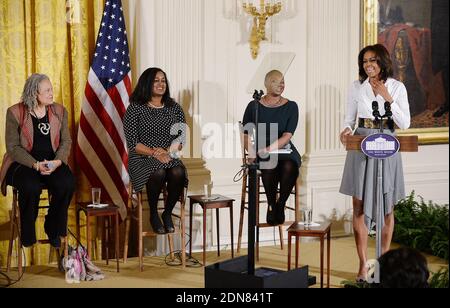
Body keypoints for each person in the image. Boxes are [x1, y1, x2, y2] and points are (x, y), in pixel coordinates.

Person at [339, 44, 411, 282]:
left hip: (387, 142)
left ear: (383, 62)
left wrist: (387, 97)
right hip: (361, 145)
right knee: (358, 204)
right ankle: (362, 264)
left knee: (387, 205)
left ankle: (383, 263)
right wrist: (345, 131)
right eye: (365, 61)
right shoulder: (356, 87)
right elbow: (349, 119)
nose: (368, 65)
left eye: (373, 60)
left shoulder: (397, 87)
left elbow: (405, 124)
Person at [0, 73, 75, 248]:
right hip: (23, 162)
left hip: (52, 161)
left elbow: (66, 141)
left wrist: (57, 162)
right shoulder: (14, 112)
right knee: (30, 186)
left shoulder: (59, 111)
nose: (52, 93)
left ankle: (53, 226)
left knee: (67, 183)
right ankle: (28, 234)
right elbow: (13, 148)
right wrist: (35, 165)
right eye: (47, 90)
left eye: (51, 89)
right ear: (35, 94)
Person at [123, 68, 187, 234]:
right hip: (142, 157)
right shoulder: (135, 108)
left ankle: (166, 213)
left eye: (163, 80)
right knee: (158, 171)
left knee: (179, 171)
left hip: (169, 155)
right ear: (147, 83)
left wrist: (166, 152)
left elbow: (180, 139)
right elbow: (133, 143)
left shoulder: (174, 108)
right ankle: (153, 214)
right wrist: (154, 153)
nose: (161, 84)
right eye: (156, 80)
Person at [242, 70, 301, 226]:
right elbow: (246, 134)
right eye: (276, 81)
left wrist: (268, 149)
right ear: (267, 84)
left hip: (284, 149)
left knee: (290, 165)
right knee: (269, 164)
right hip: (261, 151)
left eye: (283, 81)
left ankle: (280, 204)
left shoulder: (291, 106)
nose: (281, 84)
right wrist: (252, 151)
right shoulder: (253, 106)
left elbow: (287, 135)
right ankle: (271, 203)